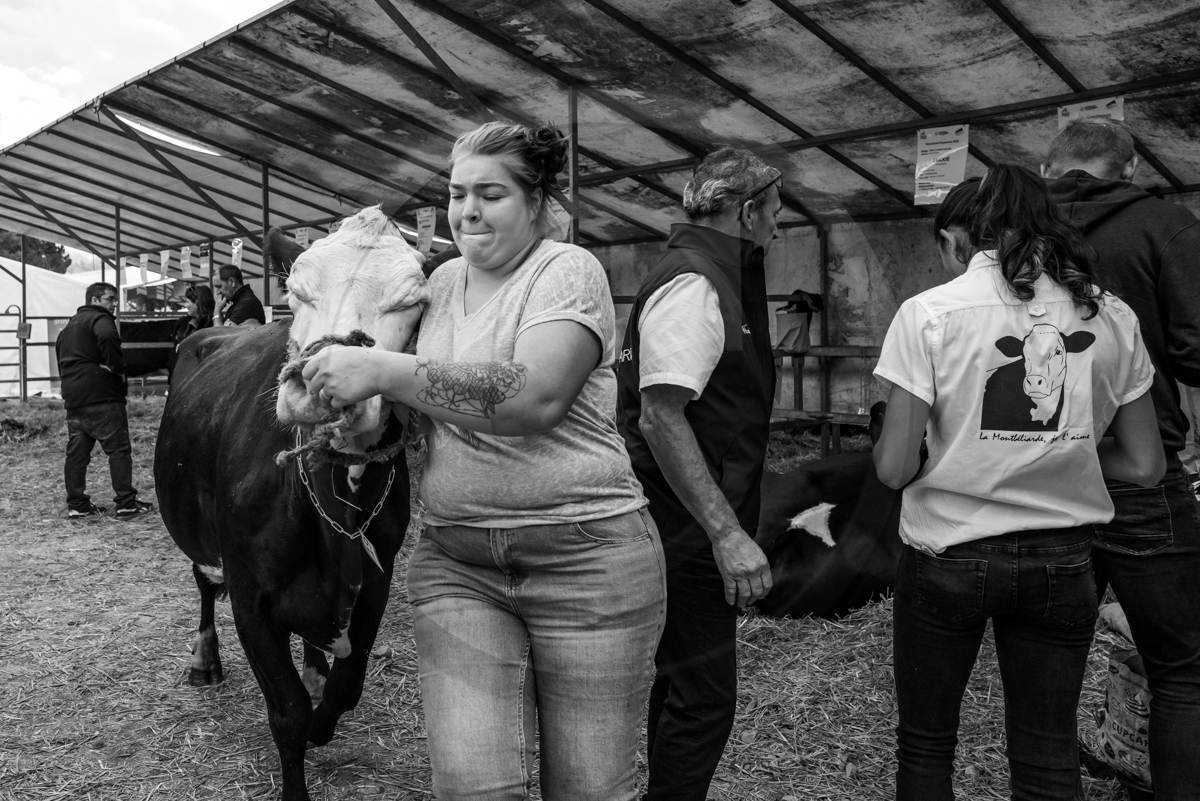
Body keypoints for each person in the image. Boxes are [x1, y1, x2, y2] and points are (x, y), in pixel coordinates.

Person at [301, 120, 665, 801]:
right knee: (473, 787)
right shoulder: (436, 285)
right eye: (456, 192)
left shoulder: (566, 271)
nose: (467, 210)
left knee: (588, 790)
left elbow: (532, 394)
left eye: (490, 194)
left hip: (586, 560)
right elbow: (410, 416)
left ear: (535, 200)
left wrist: (381, 368)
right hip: (459, 563)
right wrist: (357, 417)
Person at [873, 166, 1165, 800]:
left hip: (948, 554)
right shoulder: (1109, 314)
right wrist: (1062, 451)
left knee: (926, 747)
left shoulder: (929, 314)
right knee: (1047, 752)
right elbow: (1146, 464)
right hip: (1063, 563)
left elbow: (893, 468)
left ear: (957, 241)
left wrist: (965, 457)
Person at [614, 146, 780, 801]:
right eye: (772, 211)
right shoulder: (697, 281)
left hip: (680, 515)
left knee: (680, 682)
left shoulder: (713, 271)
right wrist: (726, 532)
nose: (777, 225)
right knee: (704, 697)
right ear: (745, 210)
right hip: (680, 523)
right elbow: (661, 417)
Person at [1043, 117, 1200, 799]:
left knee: (1046, 662)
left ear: (1052, 166)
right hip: (1140, 470)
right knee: (1183, 667)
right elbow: (1197, 349)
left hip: (1040, 472)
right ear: (1130, 167)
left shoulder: (1020, 235)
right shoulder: (1165, 224)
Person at [55, 282, 154, 520]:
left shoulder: (67, 328)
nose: (114, 305)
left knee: (77, 454)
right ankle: (126, 504)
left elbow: (61, 357)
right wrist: (118, 368)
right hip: (102, 396)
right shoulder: (100, 319)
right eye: (110, 299)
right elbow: (108, 336)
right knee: (118, 450)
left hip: (75, 399)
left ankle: (77, 504)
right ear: (95, 300)